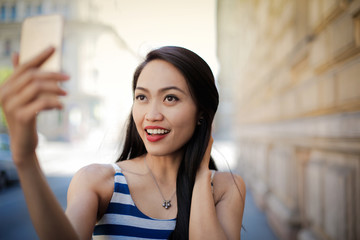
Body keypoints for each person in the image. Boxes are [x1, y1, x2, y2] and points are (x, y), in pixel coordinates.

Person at [0, 45, 246, 239]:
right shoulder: (99, 182)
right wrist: (25, 158)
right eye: (142, 97)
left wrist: (201, 172)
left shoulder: (225, 187)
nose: (151, 114)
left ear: (202, 114)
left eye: (170, 98)